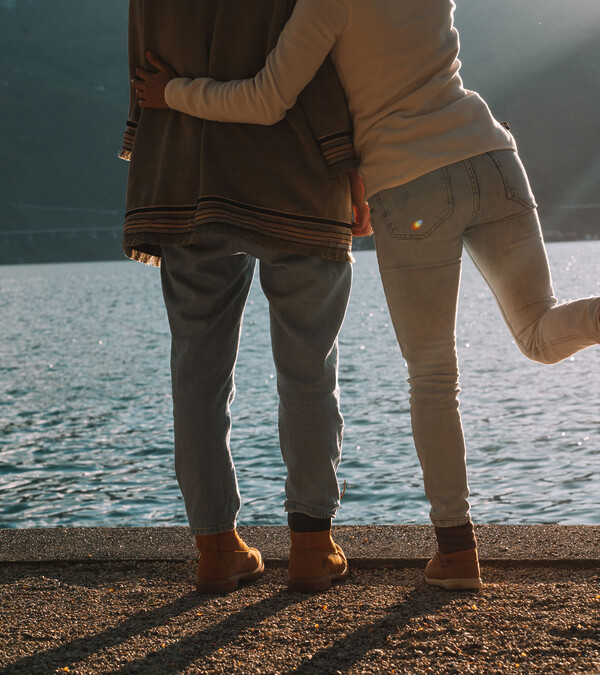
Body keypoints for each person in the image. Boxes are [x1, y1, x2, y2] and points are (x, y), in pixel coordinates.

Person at [134, 0, 600, 590]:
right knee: (538, 331)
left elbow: (268, 95)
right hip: (491, 156)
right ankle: (314, 546)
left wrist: (172, 94)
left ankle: (452, 555)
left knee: (429, 373)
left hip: (399, 183)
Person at [122, 0, 371, 594]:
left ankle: (216, 548)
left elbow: (144, 74)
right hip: (297, 180)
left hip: (186, 176)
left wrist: (146, 140)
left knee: (197, 375)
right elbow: (322, 73)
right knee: (310, 369)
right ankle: (312, 545)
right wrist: (350, 167)